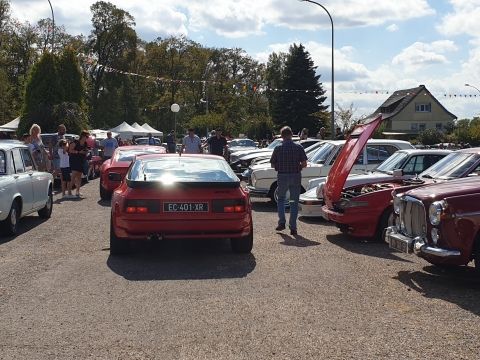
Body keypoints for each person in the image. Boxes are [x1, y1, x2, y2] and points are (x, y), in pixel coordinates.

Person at [270, 126, 307, 236]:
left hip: (282, 176)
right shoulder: (298, 147)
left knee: (281, 199)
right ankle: (293, 227)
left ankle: (282, 222)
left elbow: (272, 164)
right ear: (291, 134)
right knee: (293, 202)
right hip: (295, 176)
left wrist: (279, 166)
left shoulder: (278, 148)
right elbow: (304, 164)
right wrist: (298, 167)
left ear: (281, 136)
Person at [69, 130, 90, 198]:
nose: (87, 138)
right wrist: (78, 152)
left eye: (88, 137)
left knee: (79, 177)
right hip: (74, 160)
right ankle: (69, 192)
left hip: (81, 160)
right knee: (73, 176)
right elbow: (70, 150)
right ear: (83, 136)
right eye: (87, 136)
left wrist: (86, 152)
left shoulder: (85, 143)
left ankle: (77, 192)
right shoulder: (75, 142)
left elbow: (86, 150)